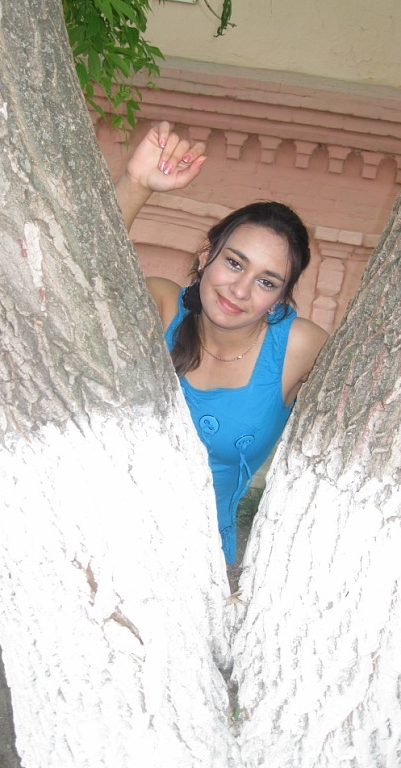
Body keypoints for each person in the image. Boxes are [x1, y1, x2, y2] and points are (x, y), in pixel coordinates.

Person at [116, 122, 329, 564]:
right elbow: (80, 281)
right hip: (93, 536)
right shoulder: (162, 307)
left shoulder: (297, 347)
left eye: (266, 281)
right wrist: (136, 183)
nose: (240, 289)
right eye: (234, 263)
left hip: (197, 569)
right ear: (206, 254)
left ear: (280, 298)